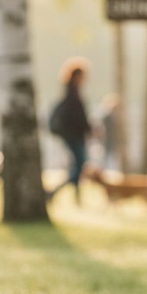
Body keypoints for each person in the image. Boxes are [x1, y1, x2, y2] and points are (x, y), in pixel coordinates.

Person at [48, 58, 92, 204]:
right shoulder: (72, 92)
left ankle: (77, 197)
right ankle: (55, 191)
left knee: (78, 166)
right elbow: (77, 116)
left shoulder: (70, 90)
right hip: (74, 135)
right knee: (79, 166)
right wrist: (88, 129)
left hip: (72, 135)